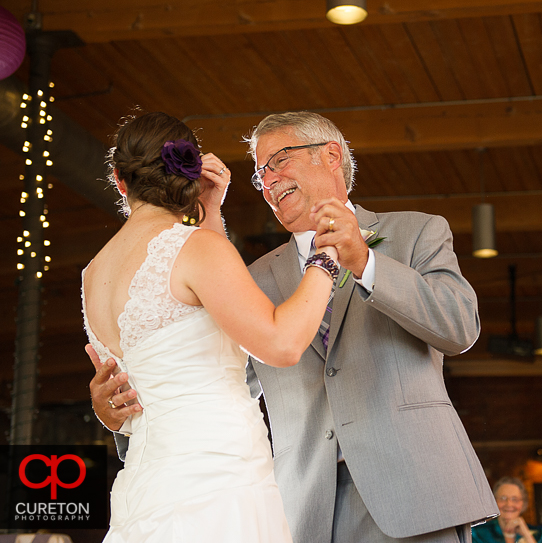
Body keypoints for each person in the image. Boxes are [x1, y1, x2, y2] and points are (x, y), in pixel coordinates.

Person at [88, 111, 498, 543]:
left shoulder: (416, 232)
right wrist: (118, 414)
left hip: (416, 494)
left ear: (331, 155)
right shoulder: (254, 276)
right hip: (305, 511)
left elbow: (460, 327)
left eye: (279, 160)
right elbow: (219, 377)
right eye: (259, 173)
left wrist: (364, 261)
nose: (268, 180)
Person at [82, 112, 343, 541]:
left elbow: (197, 313)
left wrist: (211, 212)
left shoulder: (93, 274)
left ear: (119, 180)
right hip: (218, 474)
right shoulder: (195, 249)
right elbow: (281, 344)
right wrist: (327, 255)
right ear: (189, 170)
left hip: (148, 484)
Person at [472, 477, 542, 543]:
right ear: (494, 501)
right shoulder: (478, 533)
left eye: (514, 499)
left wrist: (526, 535)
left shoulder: (537, 533)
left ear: (523, 503)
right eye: (503, 498)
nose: (509, 504)